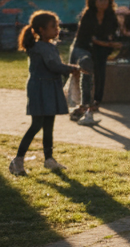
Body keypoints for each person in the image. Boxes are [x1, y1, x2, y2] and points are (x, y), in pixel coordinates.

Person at [10, 11, 83, 176]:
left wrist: (69, 69)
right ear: (41, 30)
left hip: (49, 88)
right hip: (40, 89)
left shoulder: (48, 46)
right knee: (37, 125)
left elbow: (55, 66)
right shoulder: (40, 47)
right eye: (53, 27)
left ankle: (49, 159)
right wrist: (73, 69)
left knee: (49, 124)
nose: (57, 29)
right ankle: (18, 160)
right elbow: (53, 66)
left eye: (57, 26)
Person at [68, 0, 121, 127]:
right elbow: (86, 38)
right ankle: (84, 105)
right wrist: (104, 41)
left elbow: (112, 34)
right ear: (94, 1)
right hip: (84, 49)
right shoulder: (88, 15)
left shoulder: (110, 15)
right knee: (87, 71)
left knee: (100, 75)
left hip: (101, 50)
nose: (104, 2)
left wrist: (106, 42)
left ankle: (95, 103)